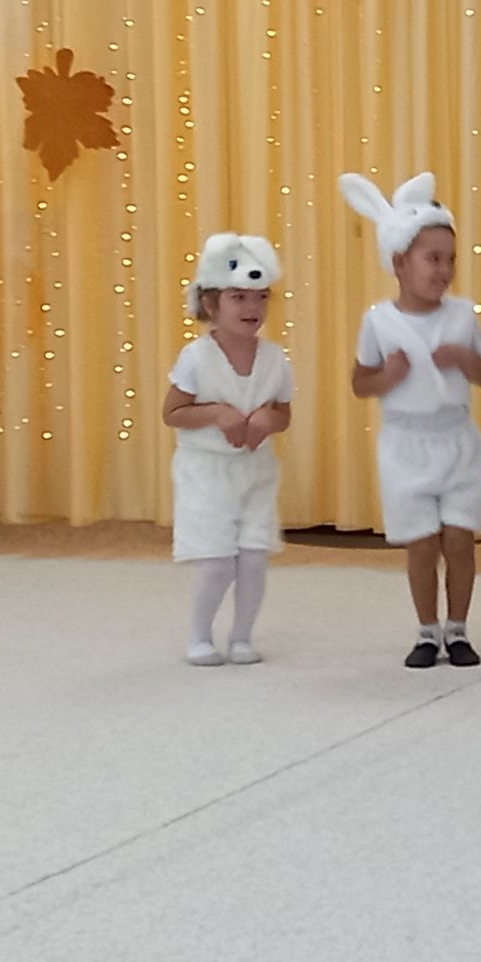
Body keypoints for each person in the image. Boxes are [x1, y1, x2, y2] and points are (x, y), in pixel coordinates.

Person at [343, 171, 481, 668]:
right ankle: (427, 630)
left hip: (457, 441)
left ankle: (459, 629)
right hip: (406, 446)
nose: (444, 269)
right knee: (422, 543)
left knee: (460, 539)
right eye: (433, 258)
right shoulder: (379, 321)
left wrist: (467, 360)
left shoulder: (462, 316)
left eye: (450, 259)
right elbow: (360, 382)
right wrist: (387, 376)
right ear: (399, 263)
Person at [162, 233, 292, 667]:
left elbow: (283, 412)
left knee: (253, 559)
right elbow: (173, 412)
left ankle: (241, 637)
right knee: (218, 562)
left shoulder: (275, 358)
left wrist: (268, 419)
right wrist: (217, 412)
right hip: (207, 472)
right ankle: (200, 636)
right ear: (211, 304)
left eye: (260, 297)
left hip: (256, 471)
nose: (252, 307)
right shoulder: (196, 357)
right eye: (239, 297)